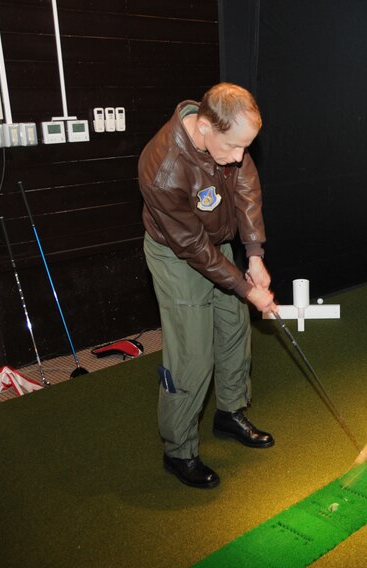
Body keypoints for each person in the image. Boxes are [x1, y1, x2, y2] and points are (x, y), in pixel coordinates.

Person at [139, 83, 279, 489]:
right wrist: (246, 287)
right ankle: (179, 450)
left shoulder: (228, 141)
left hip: (217, 247)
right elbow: (192, 248)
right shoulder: (163, 167)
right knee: (193, 354)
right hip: (178, 255)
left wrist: (253, 254)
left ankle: (229, 413)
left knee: (235, 329)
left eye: (245, 147)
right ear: (204, 127)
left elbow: (246, 191)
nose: (239, 157)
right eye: (234, 147)